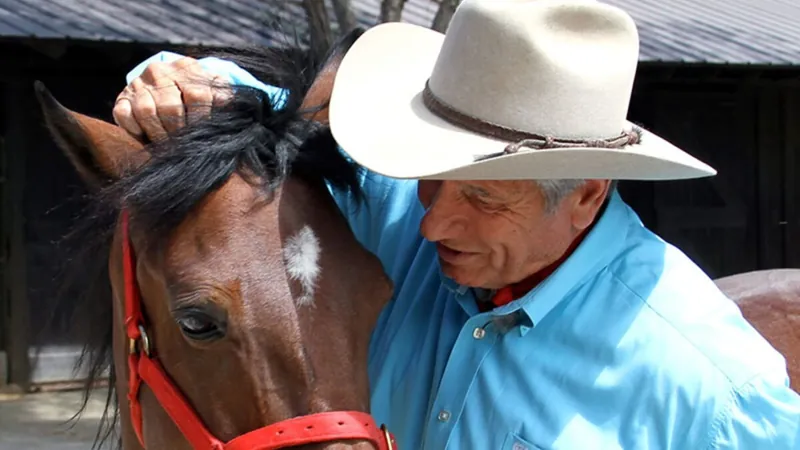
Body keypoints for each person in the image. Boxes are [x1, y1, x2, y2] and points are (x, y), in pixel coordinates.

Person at [112, 0, 800, 448]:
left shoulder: (713, 392)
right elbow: (251, 107)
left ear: (586, 194)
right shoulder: (392, 202)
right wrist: (170, 81)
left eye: (485, 199)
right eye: (430, 177)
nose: (434, 223)